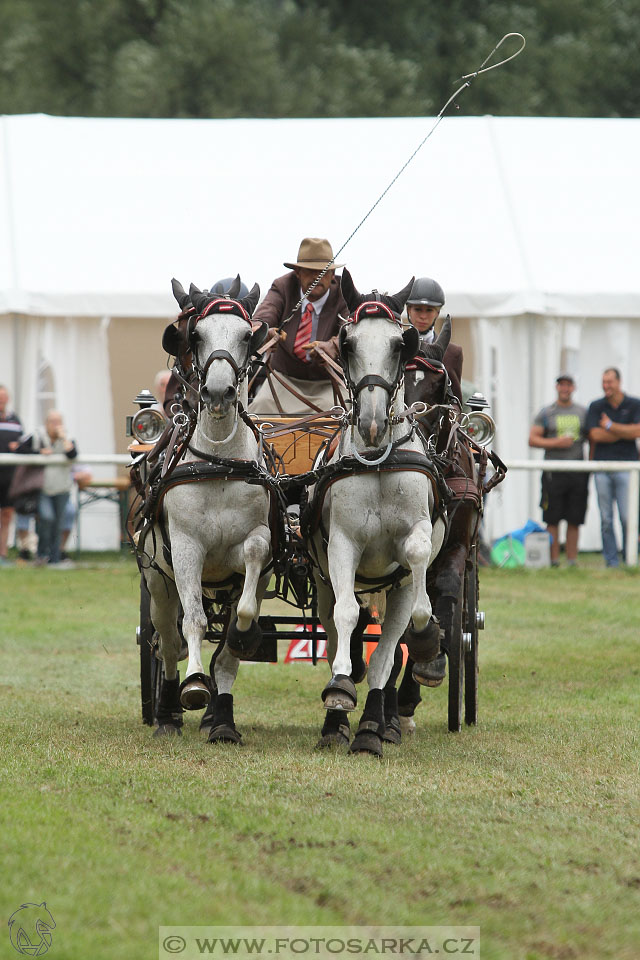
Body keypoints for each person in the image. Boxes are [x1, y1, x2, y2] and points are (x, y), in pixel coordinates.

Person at [249, 237, 348, 414]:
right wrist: (265, 333)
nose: (316, 277)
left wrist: (332, 346)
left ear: (333, 275)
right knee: (258, 408)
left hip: (329, 382)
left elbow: (350, 332)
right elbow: (264, 314)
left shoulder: (344, 293)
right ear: (297, 272)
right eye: (310, 271)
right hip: (284, 380)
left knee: (345, 413)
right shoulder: (282, 286)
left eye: (323, 272)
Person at [529, 374, 589, 566]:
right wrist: (557, 442)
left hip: (577, 471)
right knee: (552, 517)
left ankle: (572, 561)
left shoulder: (583, 412)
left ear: (573, 388)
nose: (565, 388)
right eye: (561, 385)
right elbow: (533, 439)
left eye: (568, 385)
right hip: (553, 472)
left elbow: (592, 437)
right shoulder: (547, 412)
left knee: (575, 518)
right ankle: (553, 560)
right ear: (557, 388)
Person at [586, 368, 640, 567]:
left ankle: (630, 557)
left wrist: (610, 426)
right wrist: (625, 431)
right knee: (606, 518)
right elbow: (595, 435)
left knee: (627, 517)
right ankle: (611, 561)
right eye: (604, 382)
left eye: (610, 382)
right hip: (602, 466)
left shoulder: (634, 404)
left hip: (628, 467)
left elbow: (638, 431)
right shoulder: (596, 406)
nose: (606, 386)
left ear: (619, 382)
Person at [405, 277, 463, 403]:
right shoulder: (397, 347)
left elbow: (456, 403)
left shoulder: (453, 353)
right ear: (408, 310)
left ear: (437, 313)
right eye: (417, 309)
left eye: (429, 310)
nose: (423, 316)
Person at [32, 411, 79, 567]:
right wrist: (39, 452)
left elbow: (72, 454)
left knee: (58, 523)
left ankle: (55, 557)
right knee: (46, 518)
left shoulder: (68, 438)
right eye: (52, 421)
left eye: (58, 421)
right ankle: (41, 554)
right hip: (43, 488)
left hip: (62, 488)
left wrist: (63, 437)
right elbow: (21, 449)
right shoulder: (38, 437)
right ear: (46, 423)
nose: (55, 425)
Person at [0, 386, 23, 566]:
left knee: (7, 515)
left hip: (8, 476)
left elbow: (22, 442)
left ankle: (3, 554)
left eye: (4, 398)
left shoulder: (15, 420)